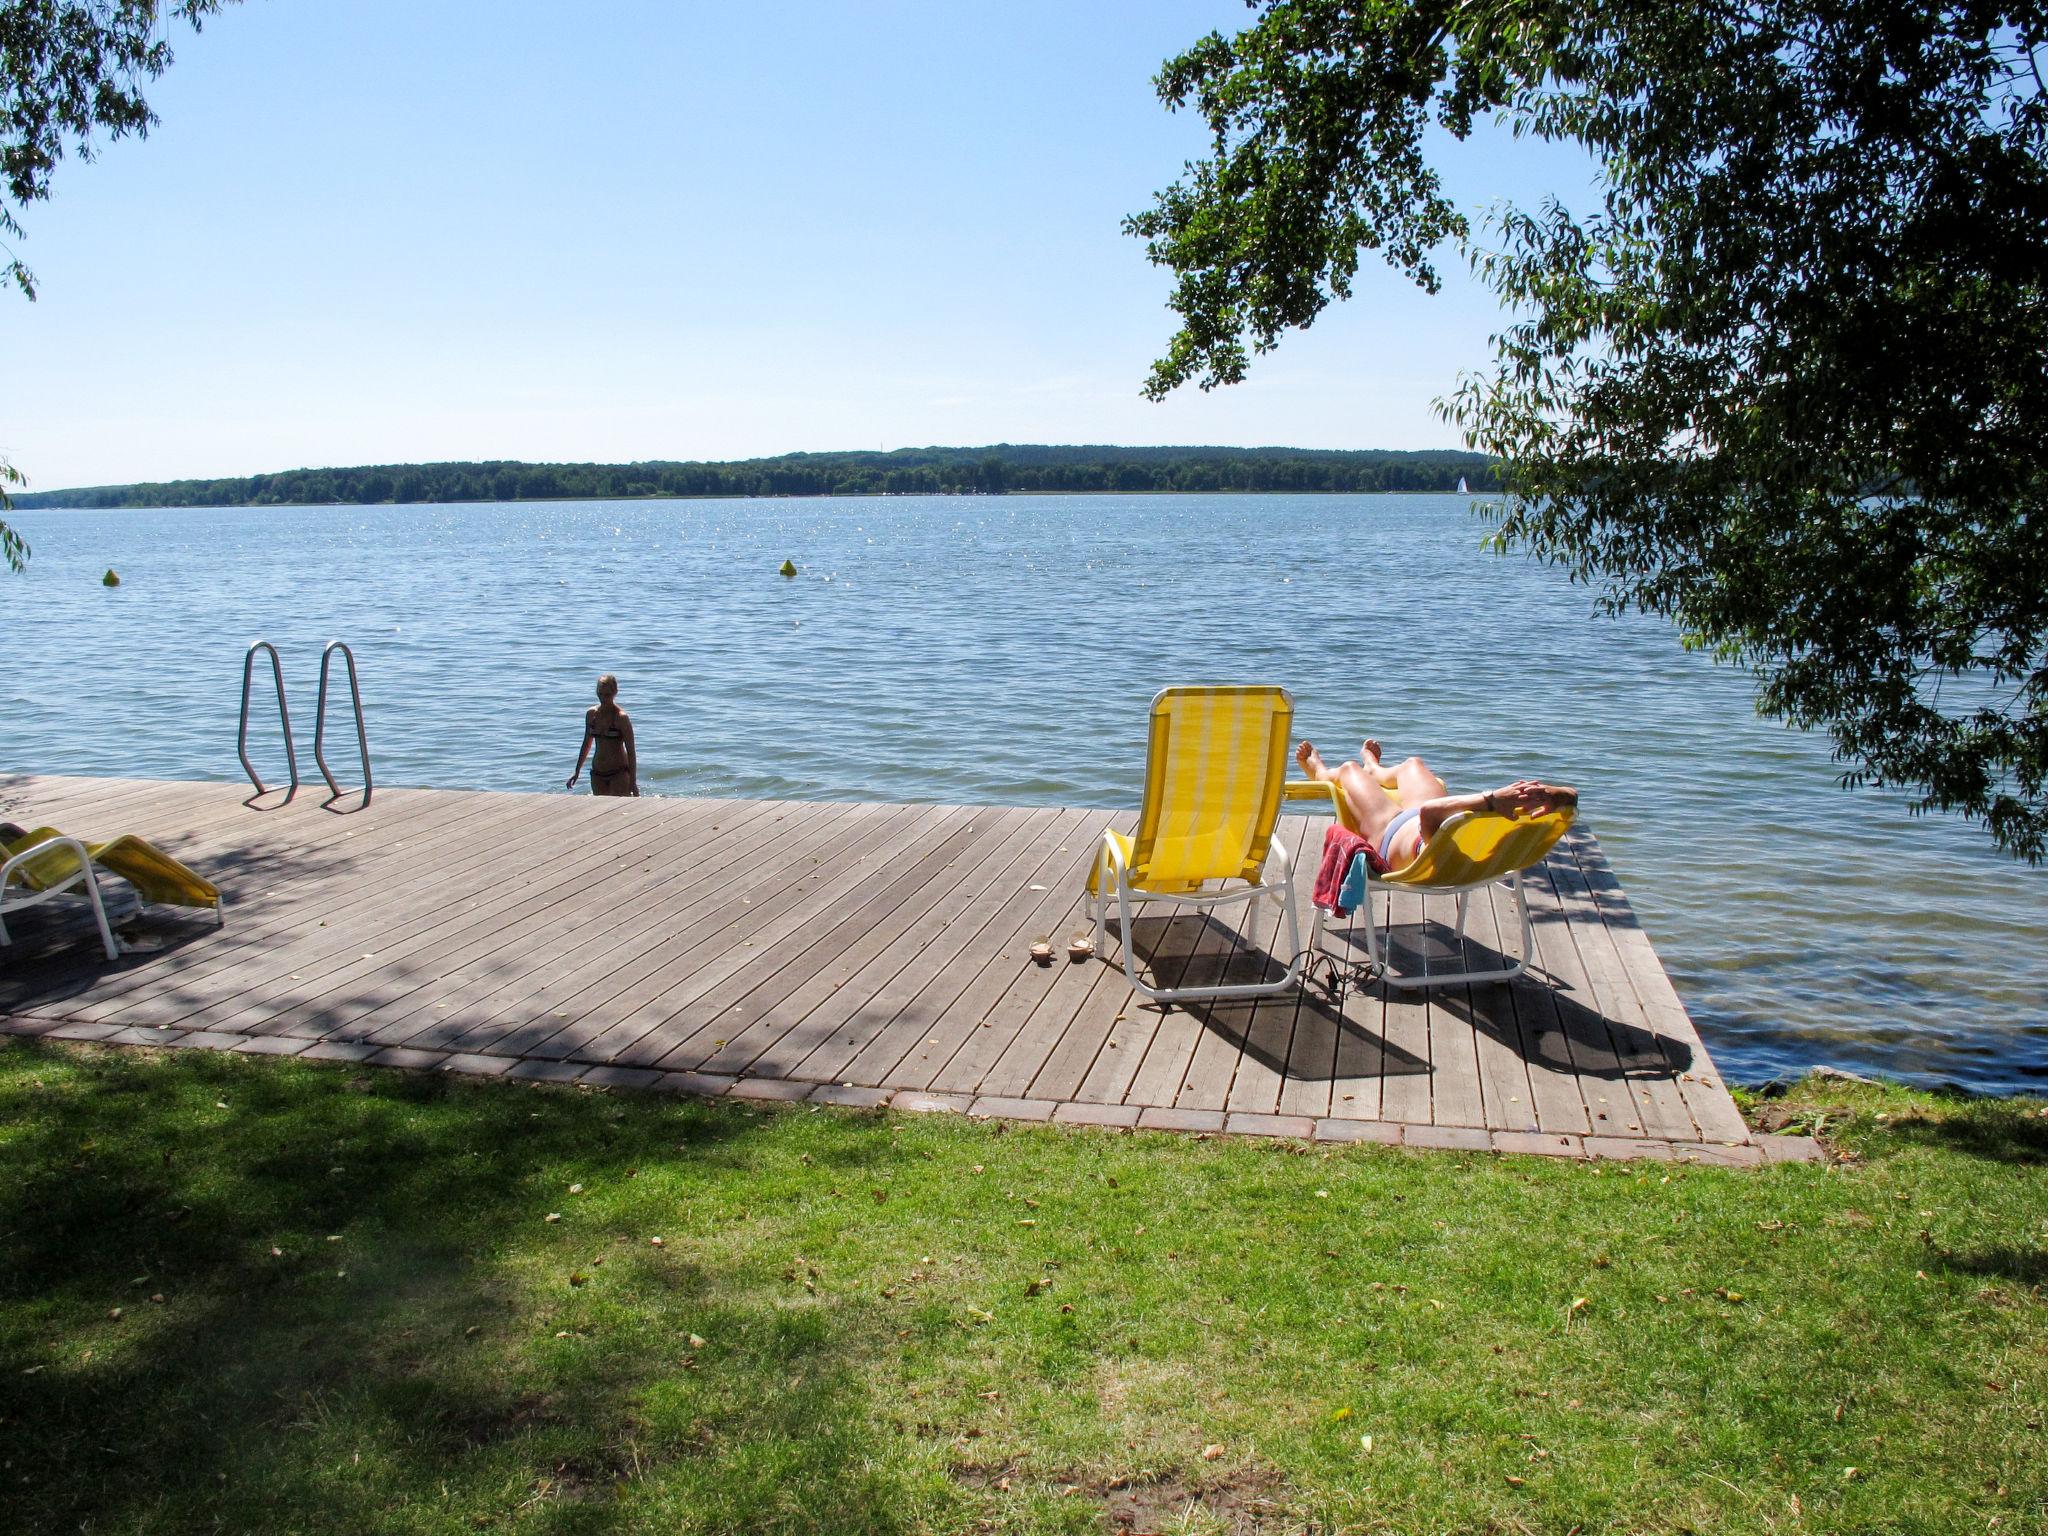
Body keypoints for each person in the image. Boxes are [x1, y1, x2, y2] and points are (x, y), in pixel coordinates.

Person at [1295, 739, 1575, 871]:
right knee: (1412, 764)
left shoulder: (1444, 849)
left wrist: (1490, 800)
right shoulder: (1498, 845)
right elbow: (1572, 796)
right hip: (1423, 820)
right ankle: (1376, 771)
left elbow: (1430, 814)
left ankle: (1320, 773)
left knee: (1347, 769)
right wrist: (1555, 795)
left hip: (1389, 830)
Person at [566, 674, 638, 796]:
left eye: (607, 695)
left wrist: (633, 782)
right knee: (601, 811)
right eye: (600, 694)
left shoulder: (621, 718)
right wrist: (577, 771)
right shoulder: (591, 714)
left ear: (615, 692)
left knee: (619, 811)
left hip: (618, 774)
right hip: (597, 774)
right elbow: (586, 744)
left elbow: (631, 751)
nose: (603, 698)